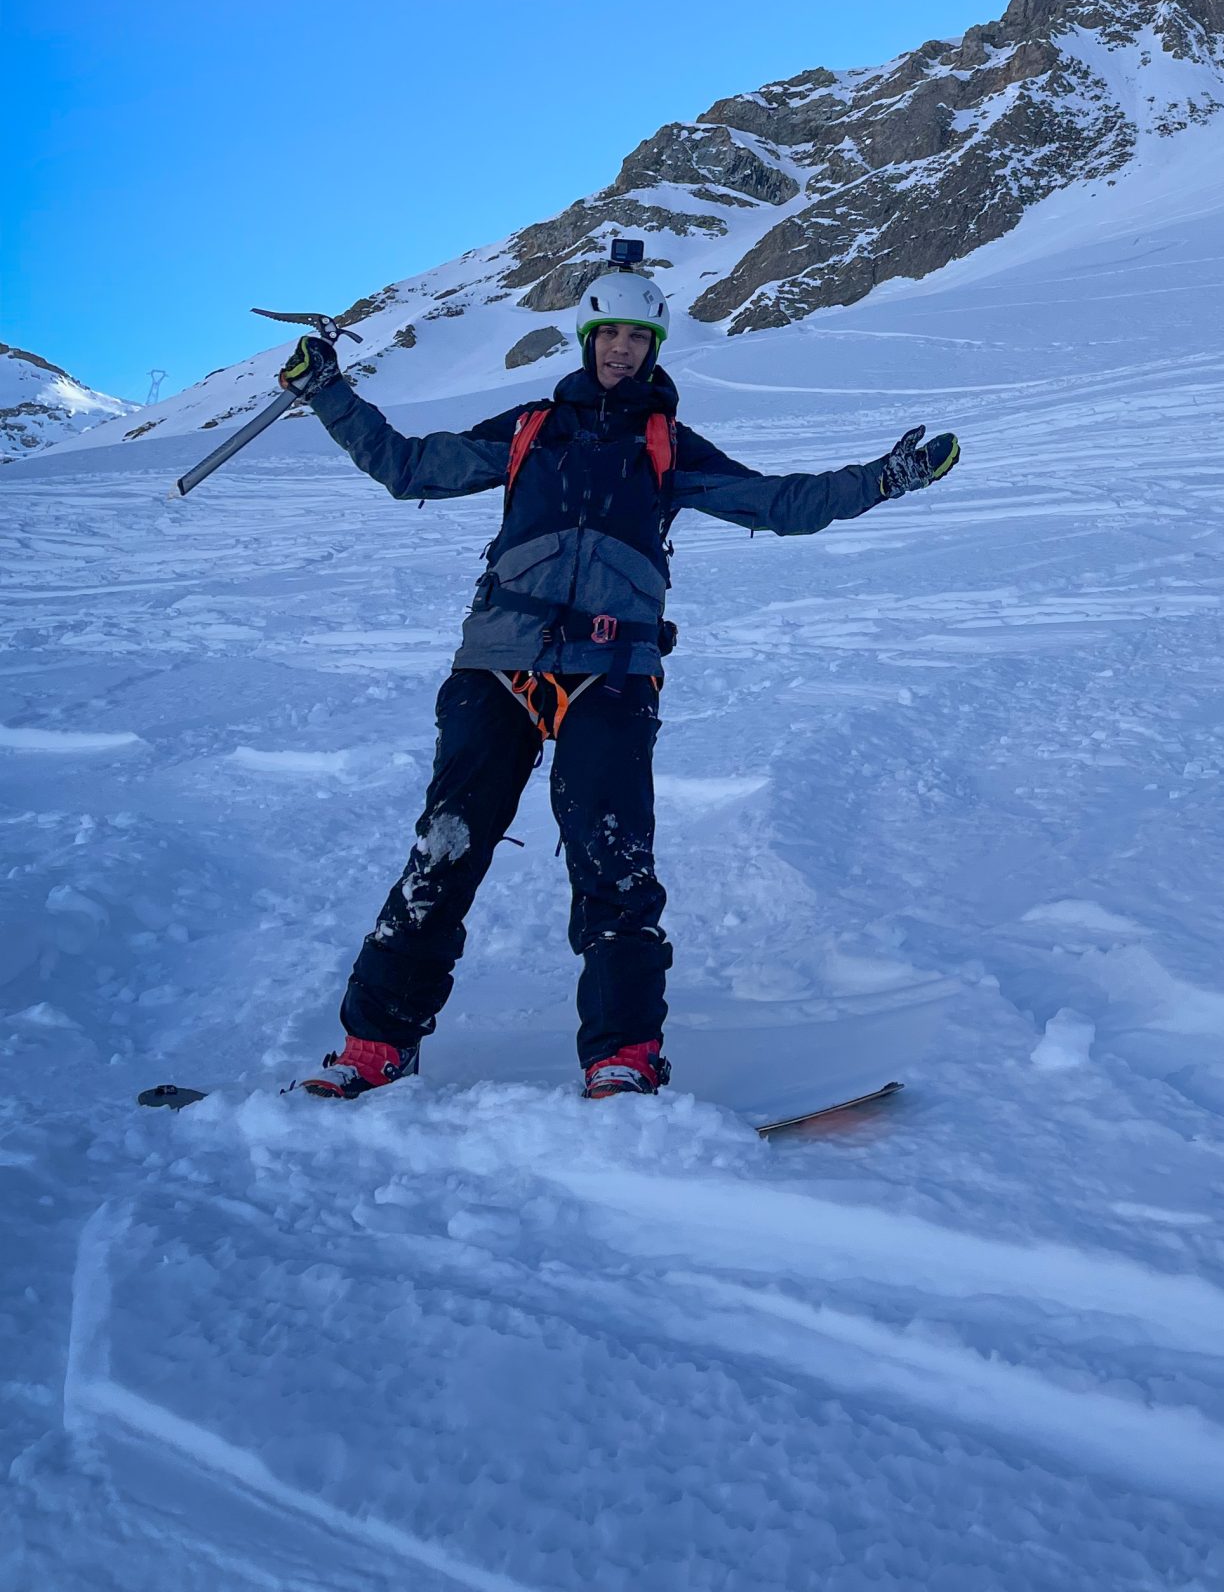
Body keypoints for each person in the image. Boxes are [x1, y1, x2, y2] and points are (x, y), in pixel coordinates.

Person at [276, 258, 958, 1100]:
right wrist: (329, 394)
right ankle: (377, 1044)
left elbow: (779, 503)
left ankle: (623, 1054)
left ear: (655, 344)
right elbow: (408, 467)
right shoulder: (531, 429)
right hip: (497, 665)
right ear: (588, 337)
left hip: (613, 670)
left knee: (615, 865)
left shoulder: (666, 444)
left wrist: (881, 481)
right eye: (613, 336)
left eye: (641, 337)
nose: (625, 352)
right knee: (443, 853)